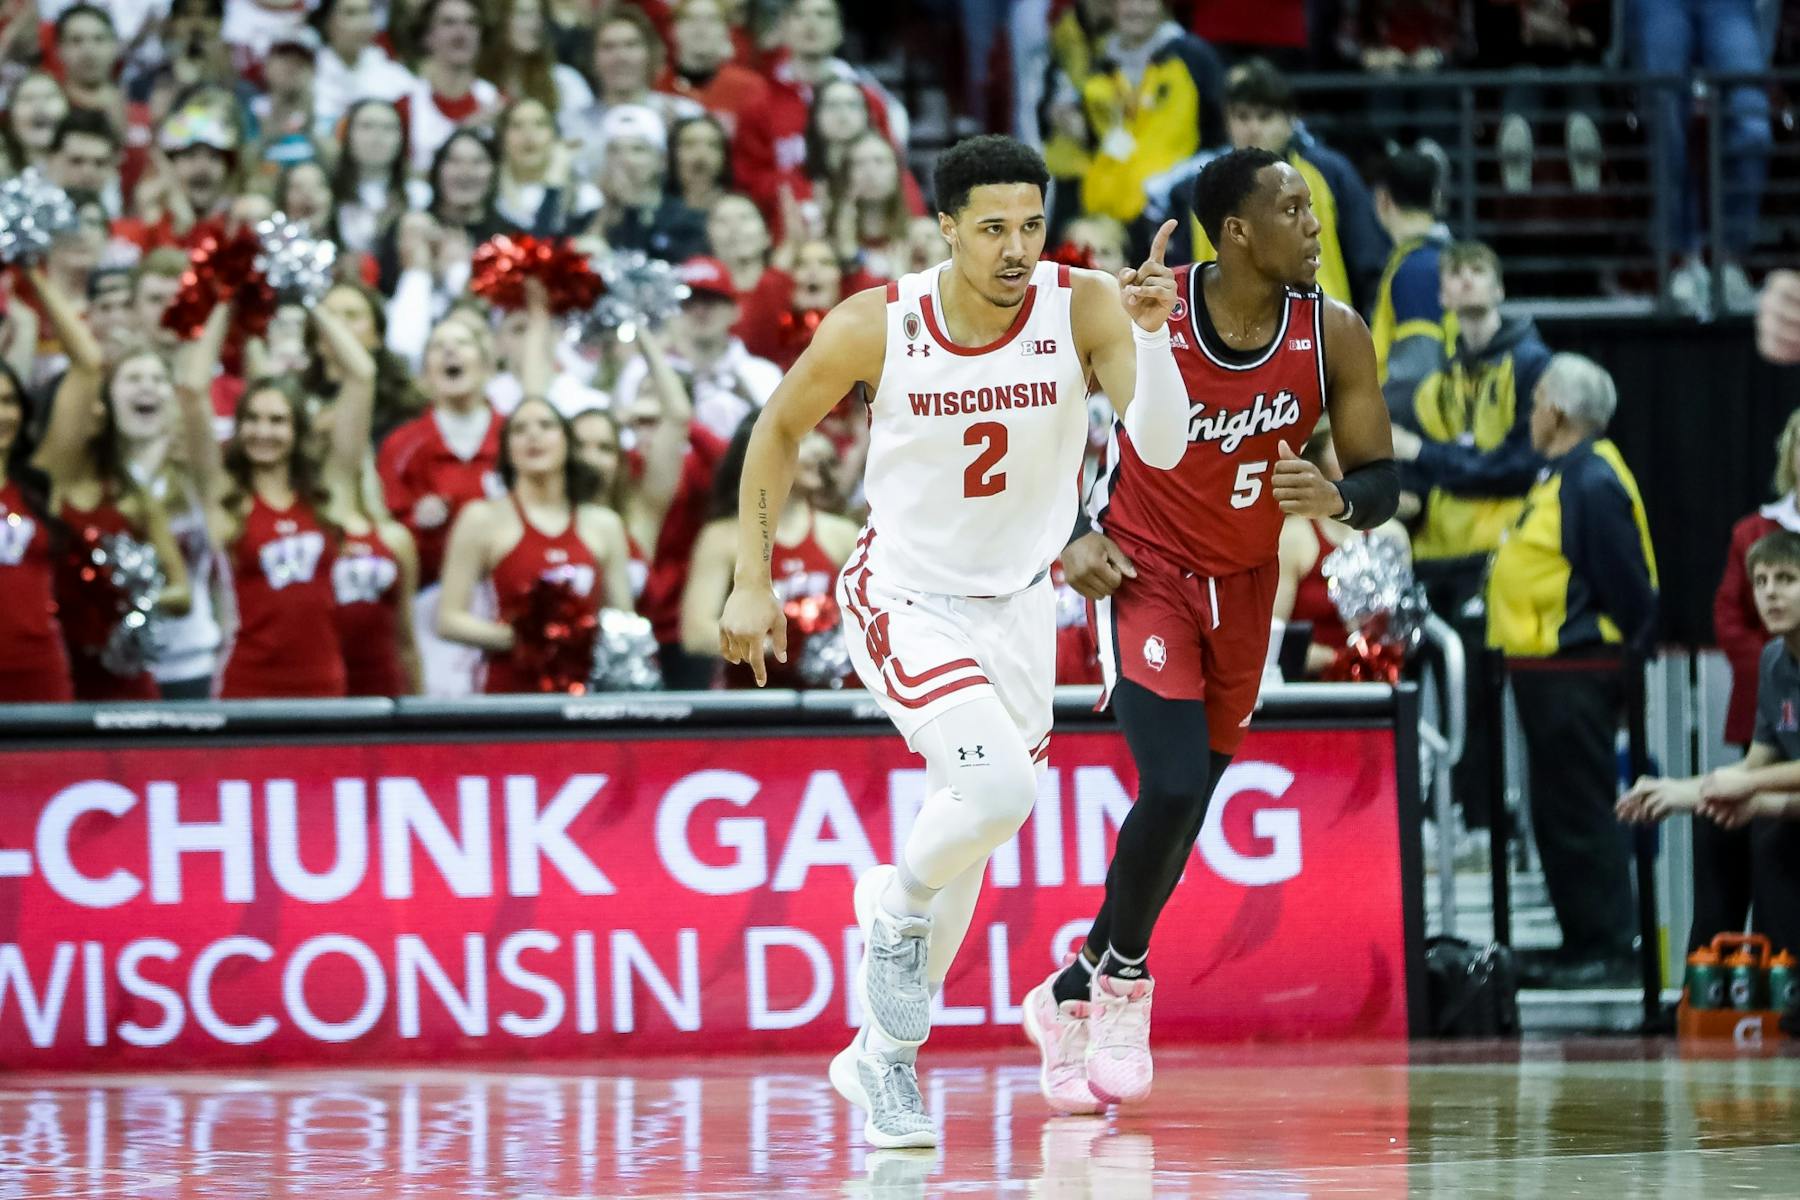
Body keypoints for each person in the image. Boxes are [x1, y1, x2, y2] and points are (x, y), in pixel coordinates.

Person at [717, 133, 1191, 1144]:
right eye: (992, 229)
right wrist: (751, 578)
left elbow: (1160, 446)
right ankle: (891, 909)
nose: (1016, 249)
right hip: (905, 595)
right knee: (997, 794)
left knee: (973, 836)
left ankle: (879, 1060)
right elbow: (777, 429)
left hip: (1018, 606)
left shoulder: (1084, 305)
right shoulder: (877, 323)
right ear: (945, 228)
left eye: (1032, 226)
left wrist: (1152, 341)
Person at [1046, 147, 1397, 1106]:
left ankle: (1073, 985)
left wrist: (1337, 497)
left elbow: (1383, 479)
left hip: (1245, 586)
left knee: (1189, 803)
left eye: (1314, 207)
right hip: (1144, 569)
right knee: (1169, 784)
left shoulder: (1334, 333)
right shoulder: (1149, 312)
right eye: (1295, 209)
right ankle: (1124, 980)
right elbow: (1043, 426)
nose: (1316, 225)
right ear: (1237, 230)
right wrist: (1070, 535)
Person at [1487, 354, 1657, 986]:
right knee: (1559, 815)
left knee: (1581, 813)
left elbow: (1633, 593)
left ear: (1557, 413)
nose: (1530, 414)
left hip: (1577, 672)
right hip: (1550, 676)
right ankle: (1581, 942)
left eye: (1535, 403)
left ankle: (1608, 949)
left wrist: (1620, 672)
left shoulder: (1592, 481)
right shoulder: (1563, 474)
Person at [1389, 241, 1550, 848]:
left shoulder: (1531, 365)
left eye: (1478, 272)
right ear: (1442, 295)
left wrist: (1429, 455)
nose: (1465, 283)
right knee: (1438, 689)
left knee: (1483, 689)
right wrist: (1431, 468)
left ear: (1499, 288)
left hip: (1499, 553)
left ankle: (1486, 817)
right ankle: (1445, 810)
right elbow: (1419, 468)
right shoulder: (1434, 380)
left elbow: (1516, 467)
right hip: (1434, 554)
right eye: (1455, 275)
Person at [176, 290, 378, 698]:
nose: (263, 431)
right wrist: (227, 299)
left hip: (324, 686)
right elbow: (193, 388)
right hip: (247, 687)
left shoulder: (327, 492)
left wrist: (309, 298)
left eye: (277, 420)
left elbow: (362, 375)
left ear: (297, 430)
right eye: (251, 419)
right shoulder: (225, 496)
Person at [437, 284, 633, 692]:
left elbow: (623, 622)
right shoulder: (482, 518)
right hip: (509, 696)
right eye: (520, 429)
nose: (533, 436)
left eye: (545, 426)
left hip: (585, 693)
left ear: (567, 443)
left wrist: (581, 635)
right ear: (507, 450)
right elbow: (448, 619)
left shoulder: (603, 524)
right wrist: (523, 638)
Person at [1621, 531, 1800, 958]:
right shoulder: (1774, 660)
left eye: (1786, 579)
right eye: (1760, 582)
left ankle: (1782, 977)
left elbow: (1752, 781)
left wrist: (1752, 793)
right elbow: (1755, 765)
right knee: (1718, 824)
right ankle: (1709, 978)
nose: (1770, 593)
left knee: (1770, 832)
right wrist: (1676, 792)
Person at [28, 270, 193, 702]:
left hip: (128, 681)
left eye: (100, 404)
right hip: (57, 676)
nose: (97, 412)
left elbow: (182, 594)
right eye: (84, 405)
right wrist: (34, 273)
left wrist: (134, 601)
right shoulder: (47, 487)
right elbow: (87, 362)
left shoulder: (131, 495)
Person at [1151, 58, 1386, 313]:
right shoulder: (1193, 189)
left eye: (1265, 117)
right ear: (1227, 122)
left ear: (1290, 120)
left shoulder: (1331, 174)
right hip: (1222, 327)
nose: (1253, 129)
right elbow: (1177, 277)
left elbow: (1369, 261)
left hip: (1319, 322)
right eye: (1242, 117)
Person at [682, 419, 858, 685]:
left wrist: (833, 647)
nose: (819, 450)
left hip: (828, 699)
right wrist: (777, 647)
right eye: (803, 441)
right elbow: (696, 634)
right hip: (753, 702)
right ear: (761, 455)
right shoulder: (722, 538)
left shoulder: (842, 534)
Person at [1272, 423, 1411, 678]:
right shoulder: (1293, 538)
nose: (1354, 458)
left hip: (1377, 681)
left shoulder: (1392, 536)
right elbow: (1272, 638)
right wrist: (1341, 660)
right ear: (1316, 459)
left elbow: (1402, 629)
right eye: (1342, 449)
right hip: (1306, 684)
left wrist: (1375, 659)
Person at [1078, 0, 1226, 225]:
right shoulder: (1100, 62)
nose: (1136, 8)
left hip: (1172, 205)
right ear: (1111, 6)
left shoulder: (1193, 56)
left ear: (1163, 6)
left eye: (1147, 1)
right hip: (1108, 205)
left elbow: (1219, 130)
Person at [611, 256, 783, 441]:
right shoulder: (643, 368)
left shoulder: (761, 374)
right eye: (689, 302)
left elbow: (776, 437)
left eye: (710, 301)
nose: (700, 311)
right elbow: (624, 438)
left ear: (734, 310)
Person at [0, 361, 73, 703]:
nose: (2, 414)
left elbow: (87, 367)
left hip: (40, 670)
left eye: (9, 401)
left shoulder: (39, 482)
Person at [1368, 149, 1451, 428]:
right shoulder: (1426, 259)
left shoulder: (1416, 270)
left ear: (1382, 200)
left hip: (1413, 429)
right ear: (1436, 198)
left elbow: (1417, 371)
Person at [396, 0, 501, 174]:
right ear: (426, 36)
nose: (461, 33)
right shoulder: (405, 105)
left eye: (471, 23)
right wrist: (464, 130)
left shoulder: (497, 101)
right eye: (449, 22)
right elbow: (398, 176)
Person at [311, 0, 418, 139]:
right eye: (351, 13)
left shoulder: (394, 75)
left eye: (368, 12)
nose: (363, 22)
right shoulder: (309, 72)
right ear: (327, 22)